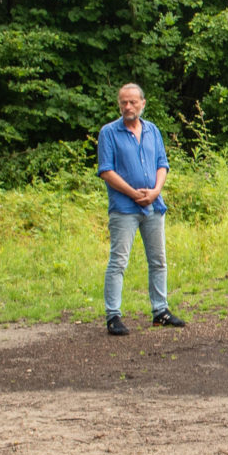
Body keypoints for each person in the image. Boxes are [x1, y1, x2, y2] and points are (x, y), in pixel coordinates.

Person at [97, 83, 187, 336]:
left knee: (158, 260)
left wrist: (156, 191)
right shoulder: (109, 133)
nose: (128, 107)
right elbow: (106, 170)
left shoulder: (152, 130)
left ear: (142, 104)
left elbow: (162, 163)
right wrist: (133, 193)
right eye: (123, 102)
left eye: (133, 102)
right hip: (124, 208)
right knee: (118, 261)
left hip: (153, 206)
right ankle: (113, 315)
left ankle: (161, 311)